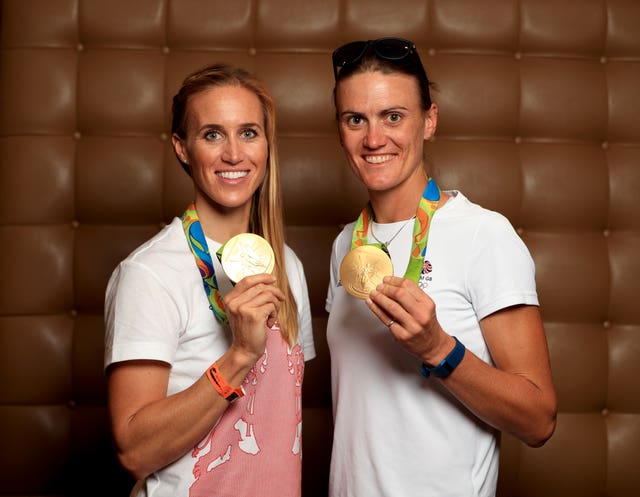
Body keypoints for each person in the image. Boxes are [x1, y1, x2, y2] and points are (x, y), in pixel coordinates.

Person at [326, 37, 557, 496]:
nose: (374, 139)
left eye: (394, 117)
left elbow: (539, 420)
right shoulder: (344, 246)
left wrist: (439, 349)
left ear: (429, 121)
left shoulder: (483, 234)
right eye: (356, 120)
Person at [104, 63, 315, 497]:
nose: (234, 154)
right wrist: (239, 355)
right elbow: (134, 454)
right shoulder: (149, 274)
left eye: (249, 133)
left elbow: (278, 423)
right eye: (212, 134)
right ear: (182, 148)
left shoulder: (287, 265)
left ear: (267, 145)